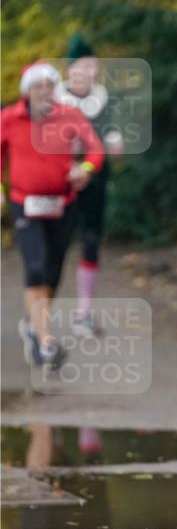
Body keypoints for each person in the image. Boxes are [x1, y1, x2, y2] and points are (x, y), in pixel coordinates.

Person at [1, 62, 105, 369]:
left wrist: (84, 170)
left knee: (53, 270)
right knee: (35, 266)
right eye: (38, 86)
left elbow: (95, 150)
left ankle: (34, 325)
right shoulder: (9, 118)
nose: (45, 91)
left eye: (50, 85)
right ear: (27, 91)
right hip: (25, 203)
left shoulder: (69, 115)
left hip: (62, 203)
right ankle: (46, 341)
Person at [55, 33, 124, 335]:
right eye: (84, 67)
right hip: (59, 182)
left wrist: (114, 142)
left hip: (94, 180)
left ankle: (83, 313)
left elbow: (112, 136)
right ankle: (42, 312)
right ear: (71, 70)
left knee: (91, 241)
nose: (91, 73)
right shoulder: (54, 101)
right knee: (54, 245)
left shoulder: (104, 99)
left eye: (94, 67)